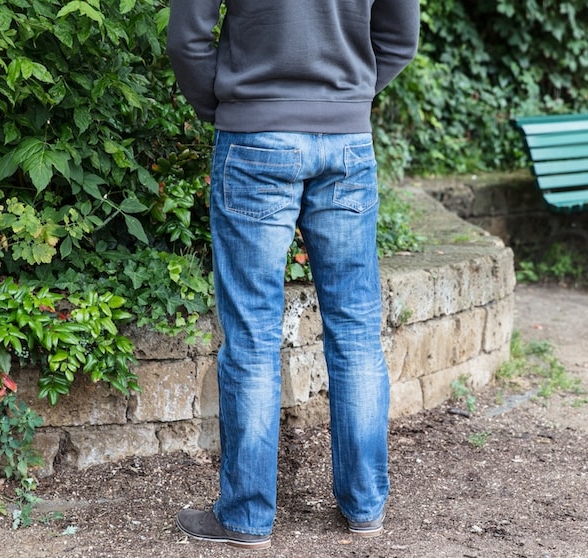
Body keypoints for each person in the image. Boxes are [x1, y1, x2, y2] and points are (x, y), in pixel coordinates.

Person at [167, 0, 420, 550]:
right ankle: (365, 507)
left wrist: (233, 106)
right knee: (355, 331)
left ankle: (245, 517)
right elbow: (400, 39)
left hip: (255, 137)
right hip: (348, 142)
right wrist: (347, 98)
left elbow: (188, 37)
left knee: (253, 334)